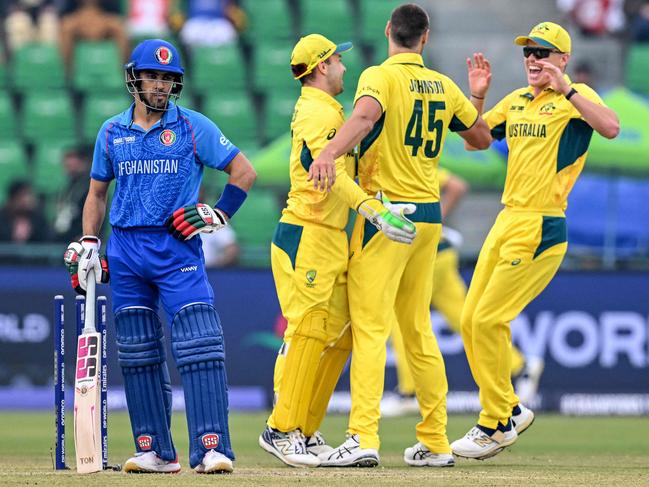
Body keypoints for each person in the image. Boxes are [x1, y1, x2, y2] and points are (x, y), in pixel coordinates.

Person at [308, 4, 492, 468]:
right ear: (425, 39)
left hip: (388, 216)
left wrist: (328, 153)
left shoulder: (380, 76)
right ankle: (434, 439)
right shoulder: (446, 86)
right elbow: (482, 139)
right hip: (429, 216)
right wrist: (478, 98)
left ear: (390, 31)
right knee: (418, 330)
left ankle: (362, 437)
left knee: (372, 328)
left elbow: (366, 118)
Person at [63, 38, 257, 474]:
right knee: (137, 350)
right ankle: (154, 450)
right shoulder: (112, 131)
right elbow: (96, 194)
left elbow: (244, 172)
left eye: (169, 79)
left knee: (200, 344)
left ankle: (212, 447)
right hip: (127, 250)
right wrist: (90, 242)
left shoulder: (193, 126)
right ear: (135, 79)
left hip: (176, 248)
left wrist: (219, 212)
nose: (161, 85)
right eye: (153, 76)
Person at [451, 21, 619, 460]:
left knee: (488, 320)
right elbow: (476, 141)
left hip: (543, 223)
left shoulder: (575, 97)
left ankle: (496, 421)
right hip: (507, 220)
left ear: (562, 59)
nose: (533, 60)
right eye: (529, 53)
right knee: (470, 321)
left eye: (543, 53)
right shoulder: (518, 100)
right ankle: (508, 409)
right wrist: (479, 96)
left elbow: (611, 128)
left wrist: (567, 90)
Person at [258, 33, 417, 468]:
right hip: (306, 233)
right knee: (308, 330)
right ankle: (281, 428)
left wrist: (378, 203)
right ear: (323, 66)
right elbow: (327, 175)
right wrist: (372, 211)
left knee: (342, 335)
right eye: (338, 61)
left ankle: (305, 431)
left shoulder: (329, 110)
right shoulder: (316, 111)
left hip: (328, 236)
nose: (345, 67)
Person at [59, 0, 130, 75]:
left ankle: (126, 74)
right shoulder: (69, 20)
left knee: (119, 27)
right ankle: (67, 76)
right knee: (66, 27)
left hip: (105, 13)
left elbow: (117, 14)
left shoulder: (113, 20)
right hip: (76, 13)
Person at [53, 146, 92, 242]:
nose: (69, 164)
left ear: (84, 162)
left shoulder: (90, 187)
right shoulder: (66, 187)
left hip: (81, 240)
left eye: (73, 160)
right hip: (63, 238)